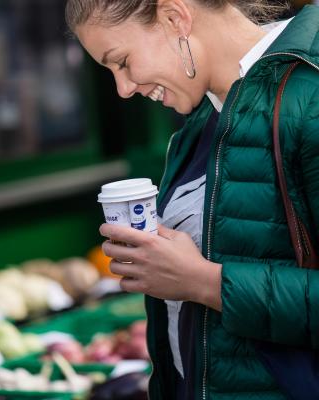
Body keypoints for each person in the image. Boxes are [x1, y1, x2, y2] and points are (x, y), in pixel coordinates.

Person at [65, 0, 319, 399]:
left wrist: (203, 282)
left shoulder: (310, 96)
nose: (123, 89)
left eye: (124, 62)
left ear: (174, 17)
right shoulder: (201, 121)